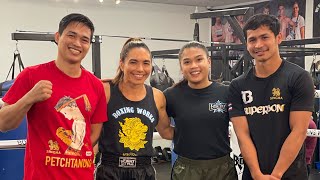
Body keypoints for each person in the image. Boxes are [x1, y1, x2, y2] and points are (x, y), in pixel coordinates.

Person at [0, 13, 107, 179]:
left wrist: (70, 149)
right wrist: (29, 98)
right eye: (71, 35)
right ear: (58, 37)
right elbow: (3, 123)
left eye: (84, 40)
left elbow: (93, 134)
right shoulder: (31, 76)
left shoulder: (96, 86)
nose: (77, 43)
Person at [228, 14, 314, 180]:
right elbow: (242, 135)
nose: (258, 45)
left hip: (290, 174)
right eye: (252, 40)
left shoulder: (299, 78)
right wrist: (256, 174)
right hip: (254, 174)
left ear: (278, 38)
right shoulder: (238, 86)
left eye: (264, 37)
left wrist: (276, 175)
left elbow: (299, 131)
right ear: (246, 44)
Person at [95, 38, 173, 180]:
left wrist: (202, 130)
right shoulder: (105, 91)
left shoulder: (157, 96)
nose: (140, 69)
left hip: (143, 171)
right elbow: (92, 134)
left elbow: (166, 132)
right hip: (110, 171)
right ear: (122, 64)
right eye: (133, 62)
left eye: (146, 63)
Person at [164, 41, 237, 180]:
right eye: (187, 62)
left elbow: (243, 129)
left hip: (222, 168)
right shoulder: (171, 95)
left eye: (199, 59)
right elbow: (163, 129)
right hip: (186, 169)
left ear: (208, 61)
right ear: (181, 66)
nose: (194, 66)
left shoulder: (226, 92)